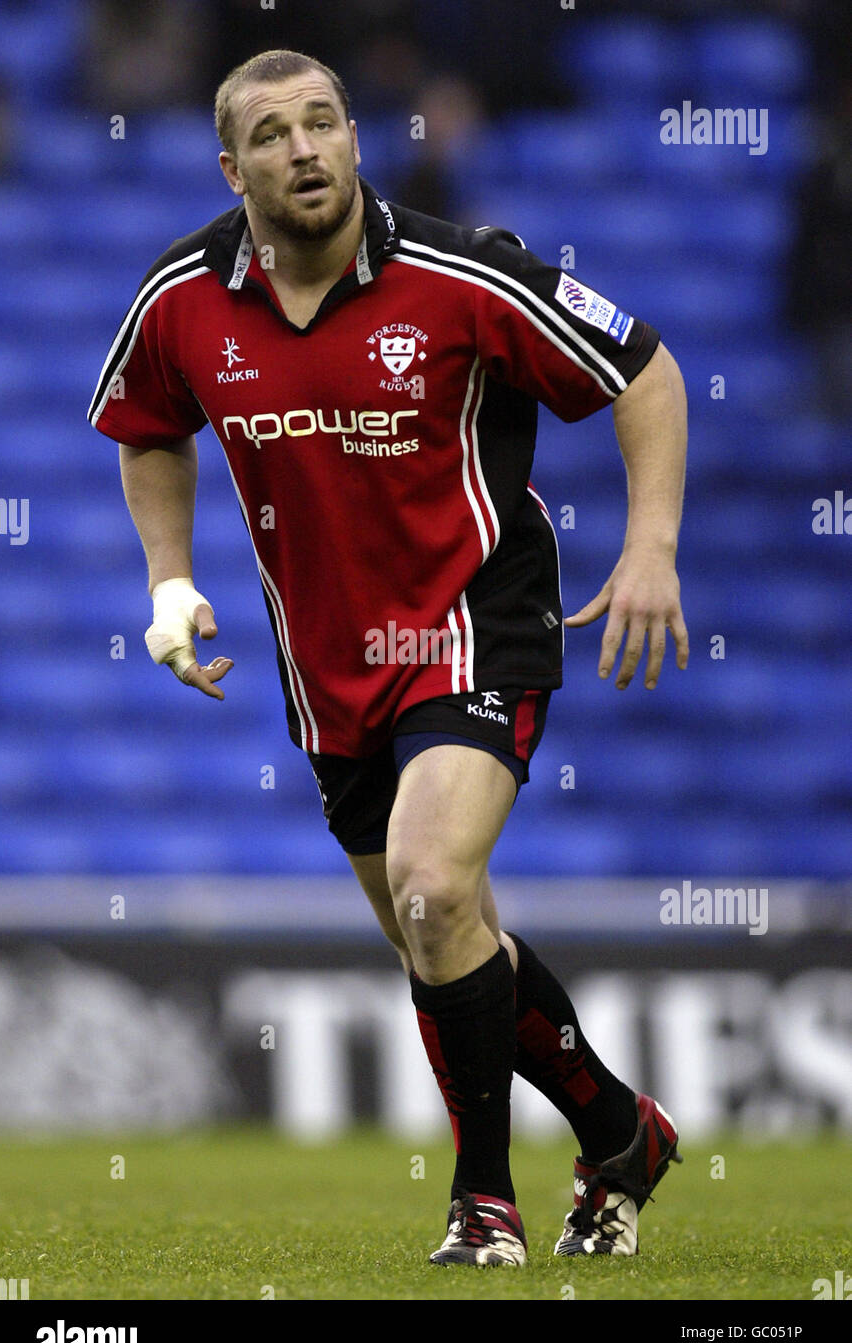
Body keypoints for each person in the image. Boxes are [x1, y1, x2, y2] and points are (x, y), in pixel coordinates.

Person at [88, 48, 688, 1267]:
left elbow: (644, 371)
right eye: (271, 135)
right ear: (230, 165)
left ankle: (482, 1204)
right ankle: (621, 1133)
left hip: (475, 621)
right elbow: (148, 427)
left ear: (356, 139)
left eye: (322, 124)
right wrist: (168, 581)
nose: (302, 149)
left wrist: (651, 550)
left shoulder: (462, 273)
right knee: (437, 928)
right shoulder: (182, 299)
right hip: (330, 666)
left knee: (427, 880)